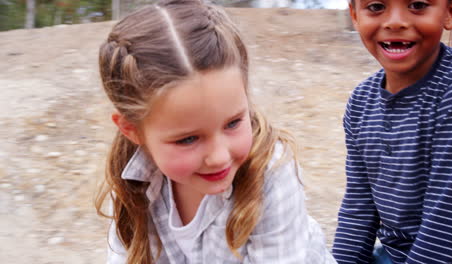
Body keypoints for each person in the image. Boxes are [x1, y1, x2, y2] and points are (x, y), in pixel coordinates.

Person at [95, 0, 336, 263]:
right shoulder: (130, 184)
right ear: (132, 130)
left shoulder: (272, 173)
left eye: (233, 123)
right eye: (188, 139)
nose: (219, 157)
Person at [333, 0, 452, 263]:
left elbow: (449, 219)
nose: (395, 21)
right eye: (375, 7)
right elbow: (358, 208)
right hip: (396, 255)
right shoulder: (362, 102)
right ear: (354, 15)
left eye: (417, 5)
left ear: (451, 12)